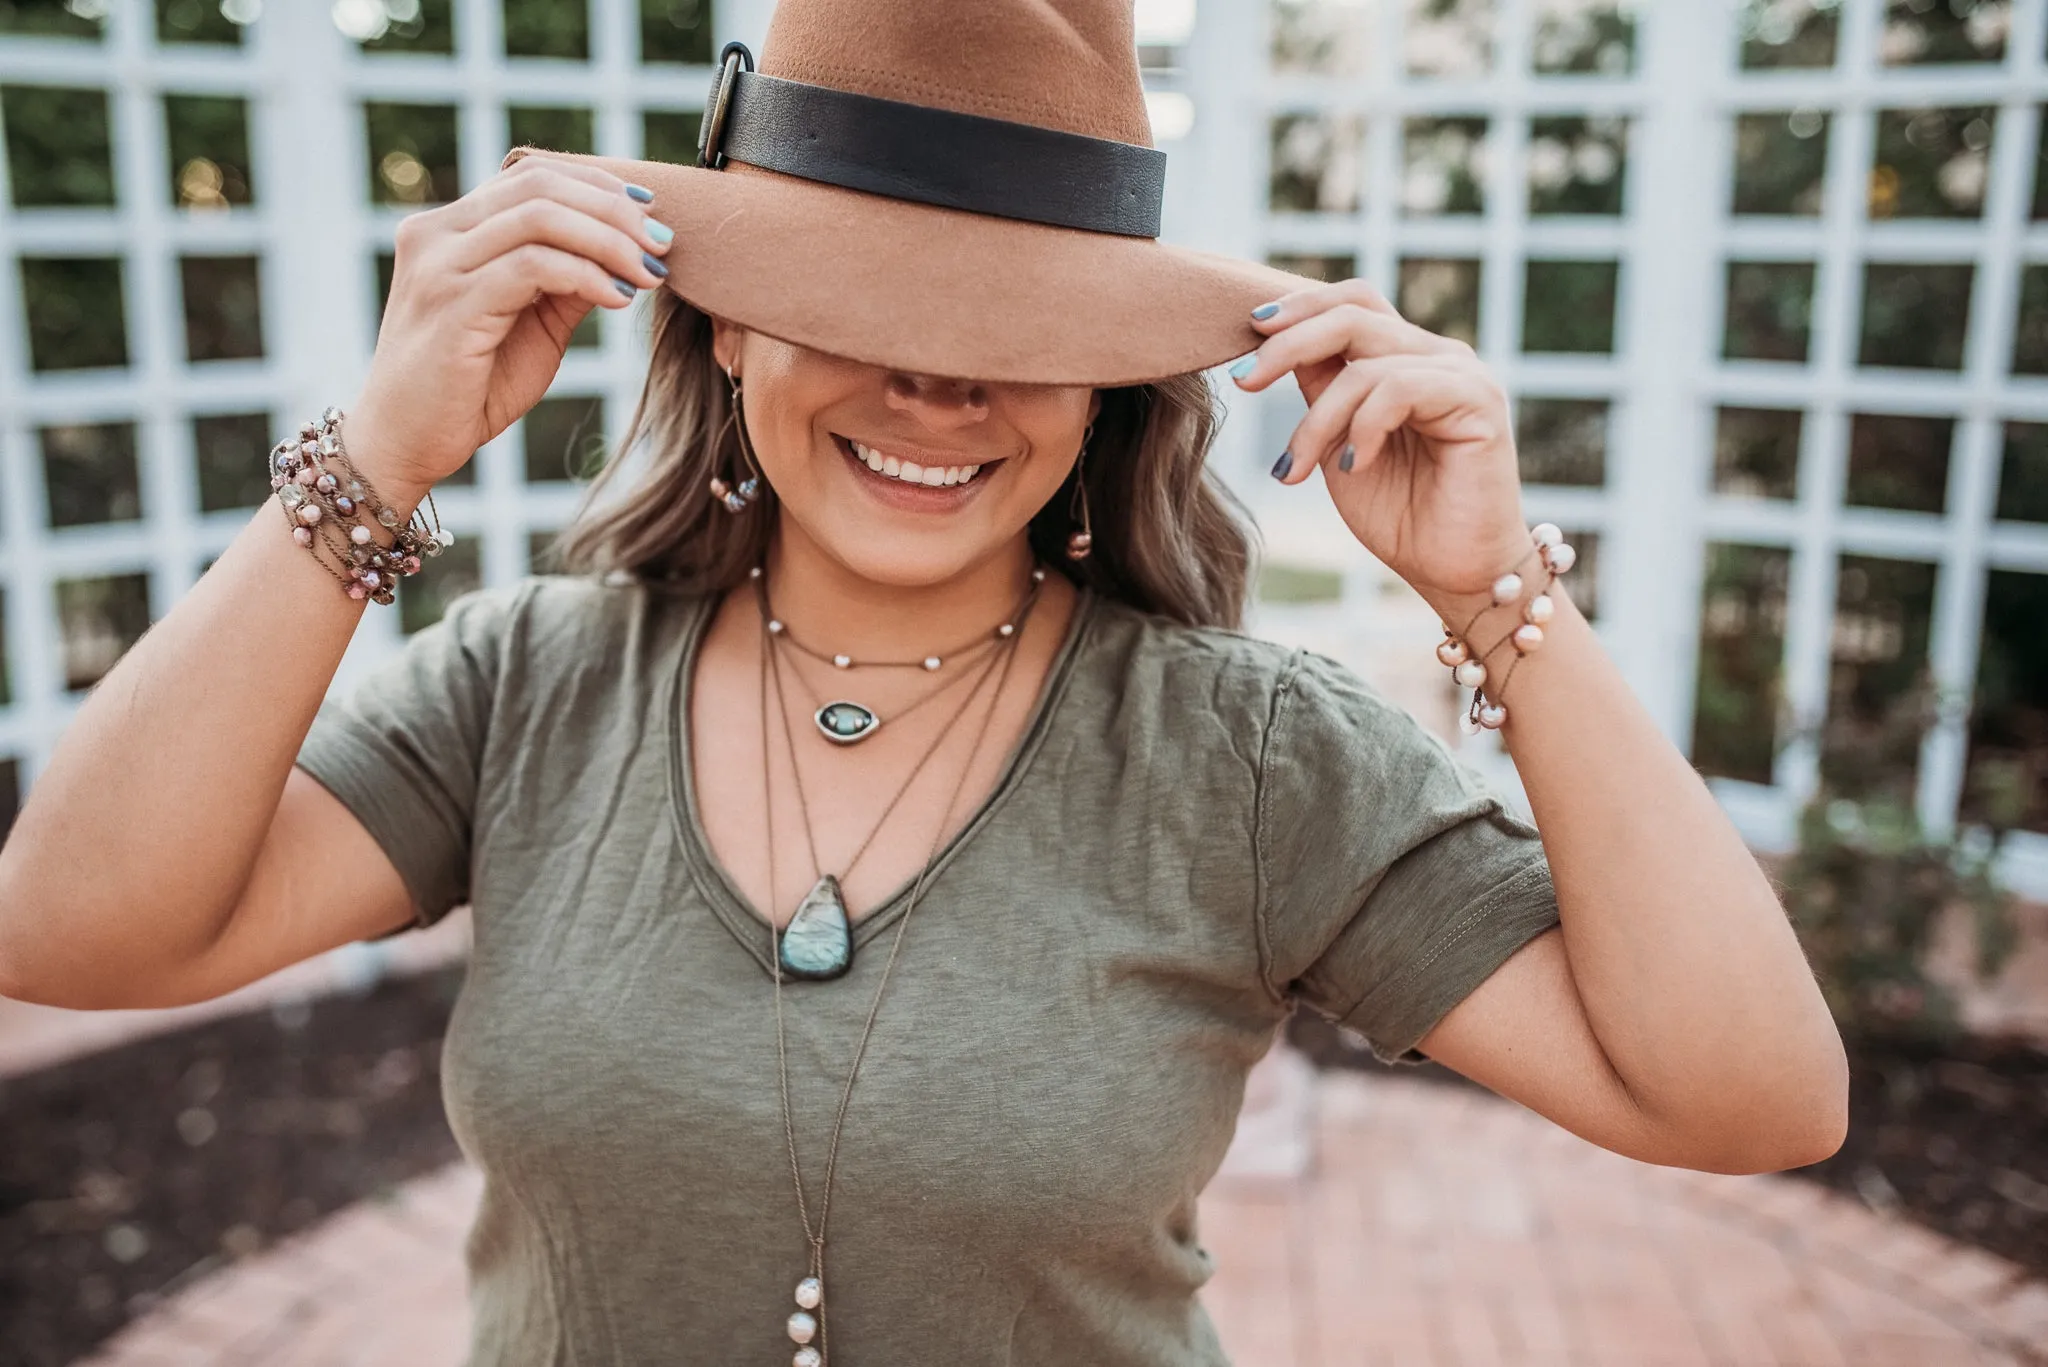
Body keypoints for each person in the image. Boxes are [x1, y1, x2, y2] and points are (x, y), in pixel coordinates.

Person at [0, 1, 1847, 1363]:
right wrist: (377, 461)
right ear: (719, 321)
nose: (937, 391)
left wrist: (1497, 595)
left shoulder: (1243, 760)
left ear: (1111, 377)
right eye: (861, 303)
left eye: (1019, 332)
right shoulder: (528, 690)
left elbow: (1751, 1097)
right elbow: (72, 931)